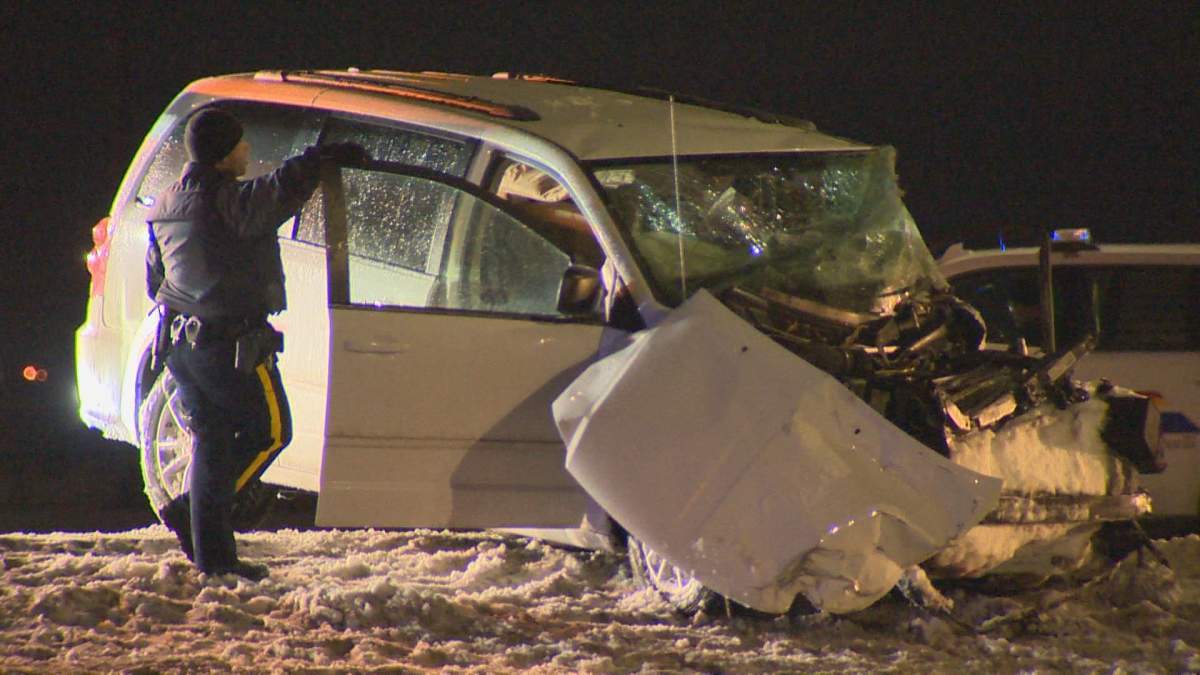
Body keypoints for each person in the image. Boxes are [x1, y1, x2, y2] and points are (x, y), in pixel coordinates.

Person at [146, 108, 366, 580]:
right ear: (225, 153)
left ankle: (215, 558)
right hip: (228, 348)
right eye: (241, 144)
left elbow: (155, 279)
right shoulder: (229, 202)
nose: (248, 151)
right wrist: (321, 157)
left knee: (213, 441)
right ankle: (196, 514)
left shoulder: (165, 203)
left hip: (181, 346)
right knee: (269, 433)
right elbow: (280, 188)